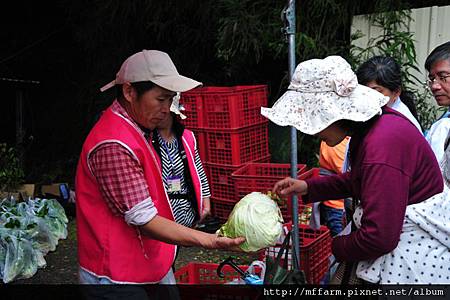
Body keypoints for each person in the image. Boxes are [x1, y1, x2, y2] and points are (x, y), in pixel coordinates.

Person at [262, 55, 444, 284]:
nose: (312, 132)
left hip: (413, 260)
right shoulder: (372, 128)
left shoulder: (382, 143)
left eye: (314, 121)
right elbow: (361, 180)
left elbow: (380, 238)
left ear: (333, 112)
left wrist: (335, 245)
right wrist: (308, 187)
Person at [75, 50, 244, 290]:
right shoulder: (114, 143)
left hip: (149, 263)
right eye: (161, 99)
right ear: (129, 92)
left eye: (171, 99)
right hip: (116, 277)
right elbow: (144, 219)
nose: (167, 109)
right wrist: (209, 240)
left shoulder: (140, 127)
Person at [151, 93, 211, 227]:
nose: (160, 114)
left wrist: (206, 204)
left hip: (186, 211)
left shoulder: (187, 138)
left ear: (173, 114)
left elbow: (199, 172)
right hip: (160, 215)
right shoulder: (148, 139)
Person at [356, 55, 422, 132]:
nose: (366, 97)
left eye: (375, 91)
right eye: (363, 92)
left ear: (396, 92)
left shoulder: (398, 123)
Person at [424, 41, 450, 164]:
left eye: (443, 77)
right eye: (432, 79)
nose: (434, 86)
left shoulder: (444, 127)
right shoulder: (445, 120)